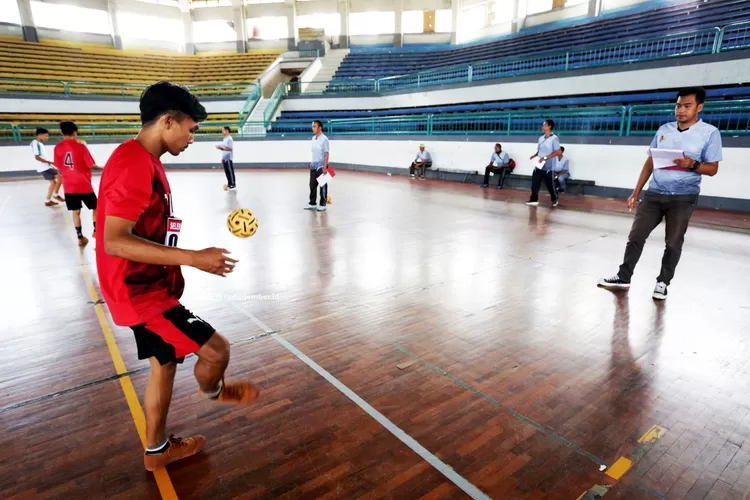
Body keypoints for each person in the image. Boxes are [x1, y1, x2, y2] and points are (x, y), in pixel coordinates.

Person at [95, 82, 260, 472]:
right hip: (140, 294)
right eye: (190, 129)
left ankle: (157, 450)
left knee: (164, 363)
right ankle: (214, 391)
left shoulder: (140, 159)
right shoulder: (134, 163)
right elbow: (114, 241)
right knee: (217, 350)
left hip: (143, 286)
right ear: (168, 121)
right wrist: (192, 258)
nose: (190, 138)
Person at [598, 87, 721, 300]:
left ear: (699, 107)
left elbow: (713, 169)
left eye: (687, 106)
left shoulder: (709, 133)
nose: (680, 110)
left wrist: (693, 165)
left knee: (673, 242)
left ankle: (663, 282)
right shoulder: (664, 129)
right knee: (636, 236)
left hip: (683, 198)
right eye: (678, 105)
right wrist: (636, 192)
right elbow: (650, 161)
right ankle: (623, 277)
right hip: (654, 194)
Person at [54, 121, 102, 246]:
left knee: (76, 211)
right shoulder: (81, 147)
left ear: (61, 132)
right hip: (84, 184)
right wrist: (103, 167)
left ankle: (80, 237)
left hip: (69, 186)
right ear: (75, 132)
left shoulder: (57, 148)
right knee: (96, 207)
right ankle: (96, 231)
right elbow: (91, 165)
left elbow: (58, 168)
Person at [526, 119, 562, 207]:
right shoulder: (541, 138)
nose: (543, 127)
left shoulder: (554, 138)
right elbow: (540, 151)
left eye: (545, 125)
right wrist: (534, 155)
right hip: (539, 165)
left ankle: (554, 199)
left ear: (549, 126)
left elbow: (558, 151)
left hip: (549, 167)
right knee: (535, 183)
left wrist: (545, 158)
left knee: (550, 185)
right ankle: (534, 199)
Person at [31, 127, 65, 207]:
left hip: (46, 166)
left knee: (53, 183)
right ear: (40, 135)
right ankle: (55, 195)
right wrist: (49, 162)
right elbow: (37, 157)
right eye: (46, 136)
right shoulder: (35, 143)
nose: (47, 138)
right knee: (60, 177)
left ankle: (47, 200)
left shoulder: (39, 143)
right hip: (44, 166)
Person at [305, 120, 330, 212]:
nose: (313, 128)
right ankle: (312, 203)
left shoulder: (324, 139)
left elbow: (326, 154)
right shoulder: (313, 138)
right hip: (314, 165)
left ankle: (323, 204)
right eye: (312, 126)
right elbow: (314, 152)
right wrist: (311, 163)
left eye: (314, 126)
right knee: (312, 185)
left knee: (322, 184)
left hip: (321, 165)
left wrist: (325, 167)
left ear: (320, 128)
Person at [216, 126, 235, 190]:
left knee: (230, 171)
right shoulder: (225, 138)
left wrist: (222, 147)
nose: (222, 131)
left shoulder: (229, 139)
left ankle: (233, 184)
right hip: (225, 158)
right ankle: (229, 183)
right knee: (227, 172)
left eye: (223, 130)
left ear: (227, 131)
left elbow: (230, 148)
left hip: (228, 158)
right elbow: (225, 149)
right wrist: (222, 157)